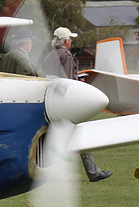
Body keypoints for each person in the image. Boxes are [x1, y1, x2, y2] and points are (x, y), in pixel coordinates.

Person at [42, 27, 113, 182]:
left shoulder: (50, 55)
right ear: (66, 40)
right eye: (70, 38)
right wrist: (78, 83)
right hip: (67, 102)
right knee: (79, 134)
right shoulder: (66, 54)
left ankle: (90, 171)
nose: (72, 41)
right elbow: (67, 80)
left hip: (53, 99)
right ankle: (93, 172)